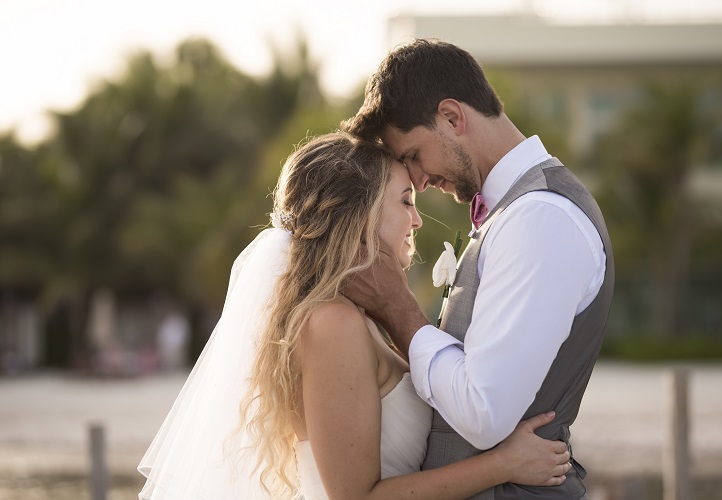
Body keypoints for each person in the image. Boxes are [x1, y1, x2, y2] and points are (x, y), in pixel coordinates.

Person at [137, 132, 573, 499]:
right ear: (358, 215)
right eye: (405, 201)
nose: (417, 221)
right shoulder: (332, 324)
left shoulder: (349, 317)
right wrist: (503, 465)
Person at [340, 38, 615, 499]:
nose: (419, 180)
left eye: (411, 155)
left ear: (452, 117)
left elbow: (483, 413)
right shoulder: (518, 212)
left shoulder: (540, 218)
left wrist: (397, 309)